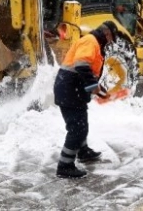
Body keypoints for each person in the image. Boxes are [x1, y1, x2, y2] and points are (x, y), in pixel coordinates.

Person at [53, 21, 119, 179]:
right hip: (69, 88)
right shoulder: (91, 41)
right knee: (77, 128)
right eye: (112, 38)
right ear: (107, 33)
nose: (110, 42)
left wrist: (97, 87)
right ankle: (65, 165)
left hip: (72, 88)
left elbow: (89, 68)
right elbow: (82, 64)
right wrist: (92, 85)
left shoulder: (94, 42)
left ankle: (83, 151)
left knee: (81, 123)